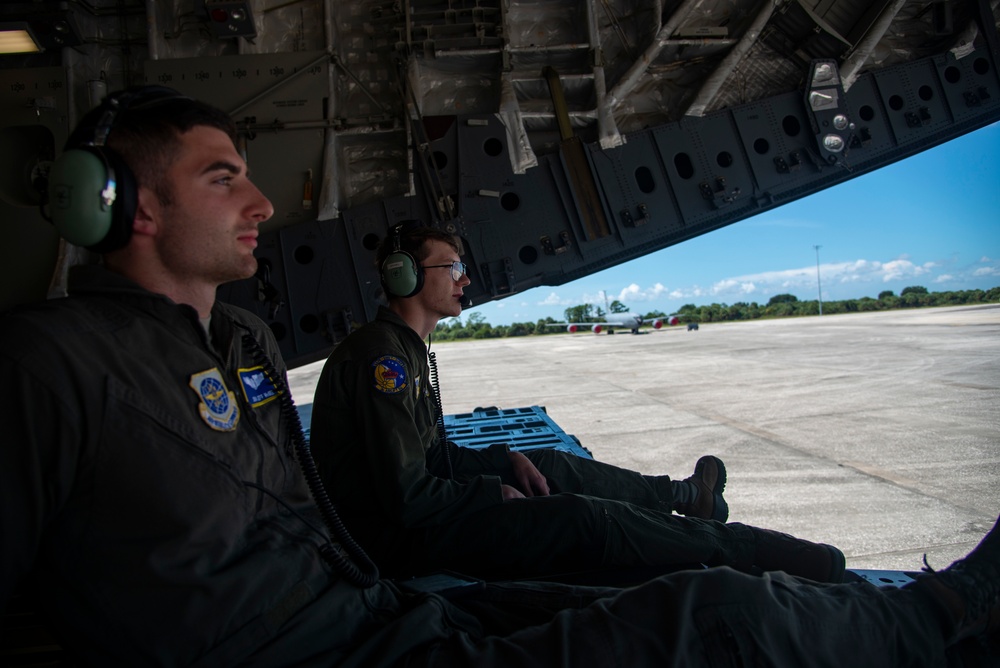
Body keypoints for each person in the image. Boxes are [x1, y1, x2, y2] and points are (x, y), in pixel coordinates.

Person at [2, 85, 998, 667]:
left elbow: (326, 520)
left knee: (636, 571)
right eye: (223, 176)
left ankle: (785, 564)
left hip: (371, 612)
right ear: (114, 203)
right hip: (339, 639)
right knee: (712, 616)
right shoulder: (52, 363)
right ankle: (933, 616)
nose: (261, 201)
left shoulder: (247, 342)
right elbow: (395, 500)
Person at [309, 225, 845, 584]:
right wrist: (490, 492)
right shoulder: (384, 361)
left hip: (406, 520)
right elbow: (407, 497)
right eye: (452, 267)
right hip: (390, 543)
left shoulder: (403, 348)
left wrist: (500, 461)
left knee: (548, 464)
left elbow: (427, 456)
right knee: (580, 520)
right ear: (406, 276)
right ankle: (744, 548)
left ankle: (686, 497)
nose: (464, 278)